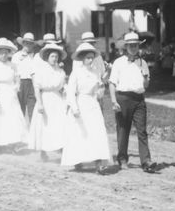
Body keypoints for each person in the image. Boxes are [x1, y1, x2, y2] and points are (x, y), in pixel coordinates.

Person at [61, 42, 118, 174]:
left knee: (97, 131)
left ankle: (99, 163)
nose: (90, 60)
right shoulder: (76, 73)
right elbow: (71, 92)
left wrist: (101, 89)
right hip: (80, 103)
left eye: (92, 57)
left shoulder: (95, 72)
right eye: (87, 57)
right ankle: (78, 160)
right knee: (80, 132)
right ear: (82, 58)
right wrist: (74, 108)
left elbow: (98, 92)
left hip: (93, 104)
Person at [108, 32, 159, 173]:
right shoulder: (118, 63)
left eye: (136, 45)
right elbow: (112, 83)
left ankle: (146, 161)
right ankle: (122, 159)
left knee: (142, 130)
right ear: (126, 47)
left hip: (139, 99)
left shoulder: (142, 63)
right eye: (131, 45)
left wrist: (145, 78)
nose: (134, 48)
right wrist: (113, 101)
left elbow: (146, 85)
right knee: (123, 130)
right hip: (123, 99)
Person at [0, 38, 27, 152]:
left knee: (12, 117)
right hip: (0, 92)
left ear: (8, 54)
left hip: (10, 93)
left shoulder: (13, 65)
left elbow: (18, 77)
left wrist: (17, 86)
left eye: (5, 52)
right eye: (1, 52)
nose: (3, 55)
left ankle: (12, 144)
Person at [27, 42, 68, 162]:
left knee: (59, 124)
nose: (54, 59)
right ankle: (43, 151)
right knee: (44, 125)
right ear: (47, 57)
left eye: (56, 56)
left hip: (57, 99)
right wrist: (39, 103)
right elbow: (37, 88)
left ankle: (61, 148)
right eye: (52, 56)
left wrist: (67, 93)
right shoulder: (41, 71)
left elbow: (63, 86)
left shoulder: (60, 72)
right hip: (45, 99)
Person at [12, 33, 40, 120]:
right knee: (20, 108)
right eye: (26, 43)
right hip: (20, 82)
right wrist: (16, 84)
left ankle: (32, 130)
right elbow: (14, 71)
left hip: (32, 83)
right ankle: (22, 130)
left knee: (32, 108)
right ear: (23, 43)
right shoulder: (16, 56)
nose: (28, 45)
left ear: (33, 45)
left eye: (30, 43)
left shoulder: (36, 56)